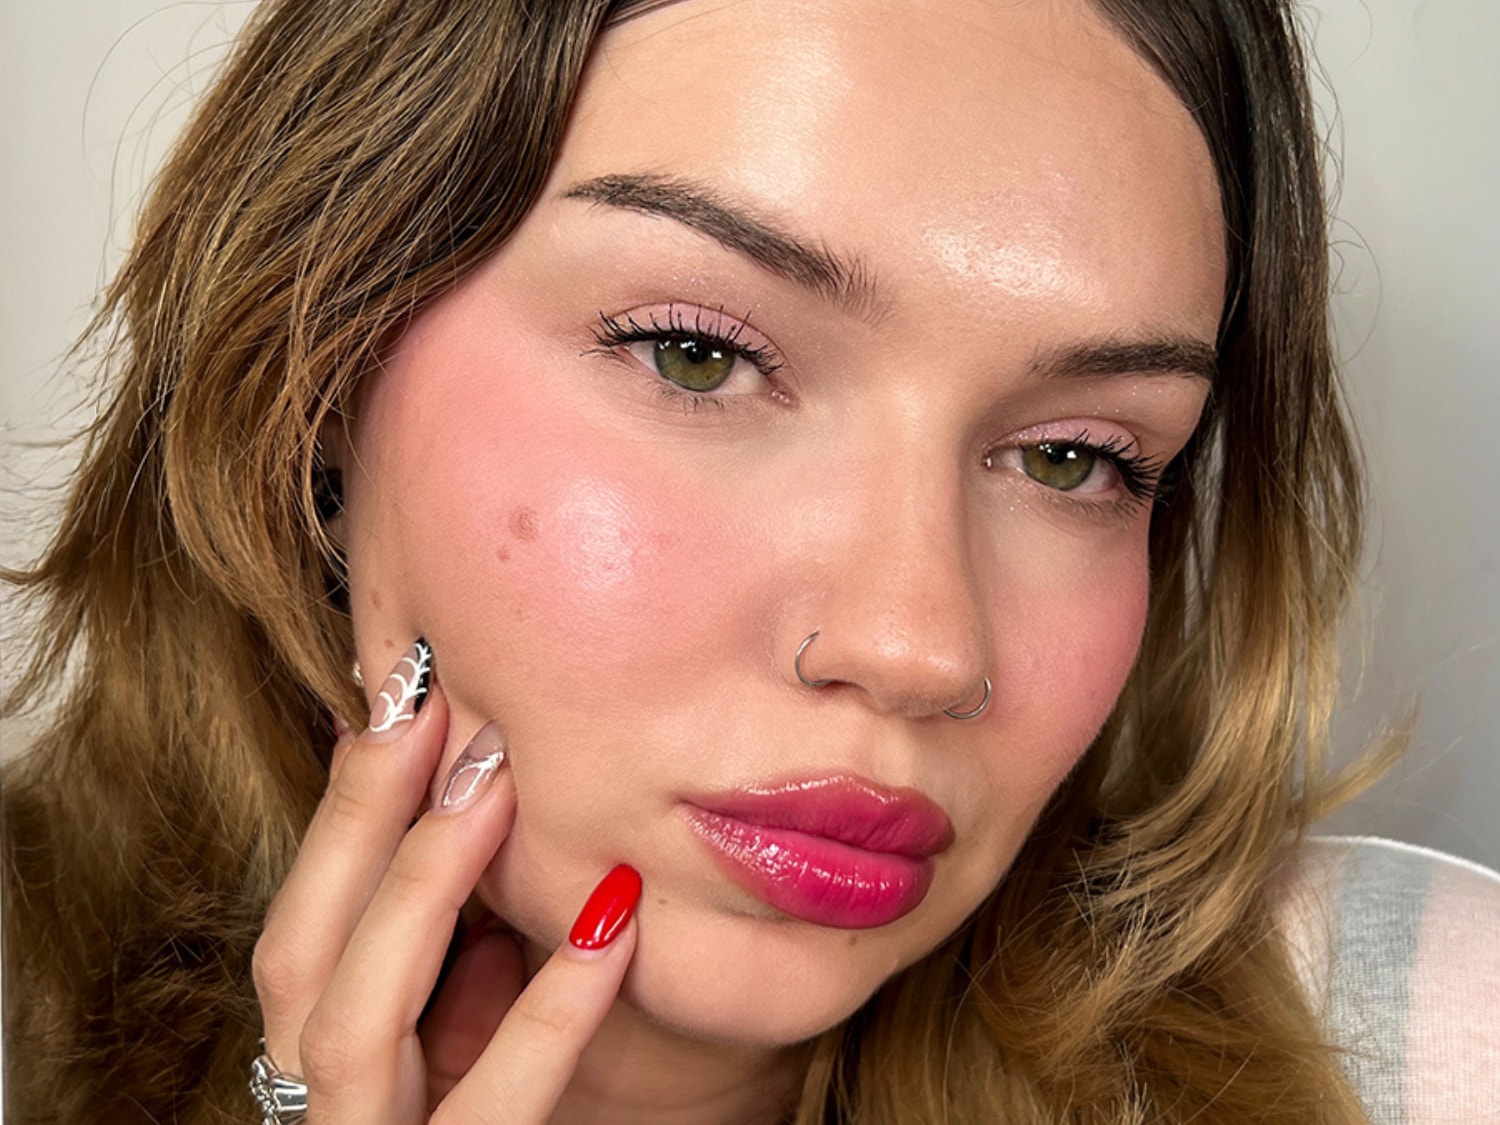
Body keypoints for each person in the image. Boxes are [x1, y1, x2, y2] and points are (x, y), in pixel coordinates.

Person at [5, 0, 1497, 1122]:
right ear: (319, 378)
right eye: (700, 355)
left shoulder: (1412, 1040)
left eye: (1074, 457)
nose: (921, 644)